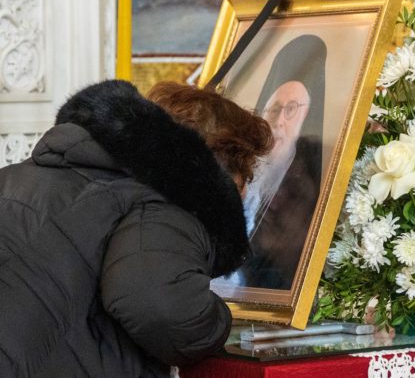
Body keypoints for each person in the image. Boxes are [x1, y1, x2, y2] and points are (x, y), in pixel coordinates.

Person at [0, 80, 272, 377]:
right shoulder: (162, 206)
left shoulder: (16, 178)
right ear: (220, 168)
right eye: (245, 176)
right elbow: (158, 305)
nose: (245, 193)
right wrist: (221, 320)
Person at [237, 34, 327, 289]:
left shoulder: (307, 185)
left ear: (306, 118)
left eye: (291, 110)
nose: (278, 122)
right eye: (274, 110)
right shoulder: (240, 169)